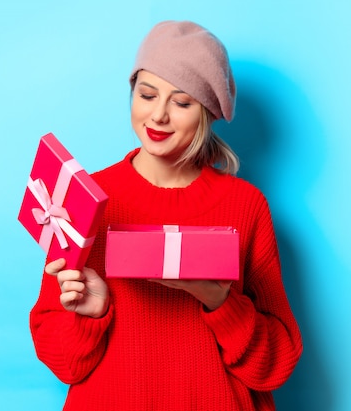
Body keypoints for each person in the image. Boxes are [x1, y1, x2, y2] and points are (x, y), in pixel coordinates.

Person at [29, 20, 303, 411]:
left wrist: (218, 301)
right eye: (147, 94)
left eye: (182, 102)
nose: (158, 116)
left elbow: (276, 365)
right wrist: (92, 315)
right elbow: (63, 363)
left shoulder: (246, 205)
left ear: (207, 111)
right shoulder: (82, 197)